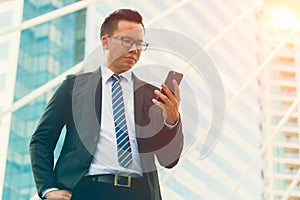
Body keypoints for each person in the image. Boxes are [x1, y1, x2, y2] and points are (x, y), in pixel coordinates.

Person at [30, 8, 183, 200]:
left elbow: (169, 160)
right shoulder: (74, 87)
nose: (134, 49)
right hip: (86, 190)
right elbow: (42, 140)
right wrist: (47, 188)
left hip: (139, 193)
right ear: (106, 41)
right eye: (127, 41)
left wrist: (171, 120)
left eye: (140, 44)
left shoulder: (151, 95)